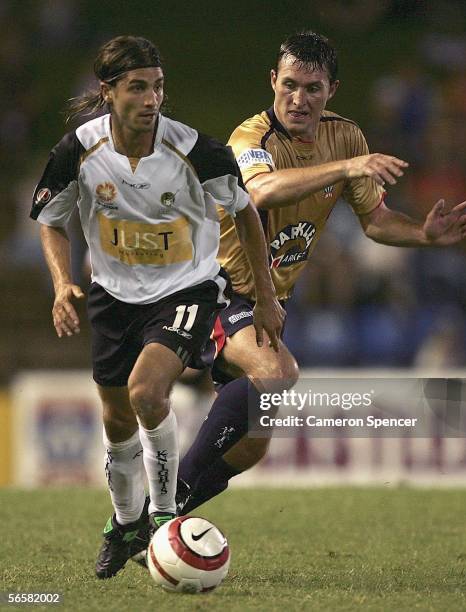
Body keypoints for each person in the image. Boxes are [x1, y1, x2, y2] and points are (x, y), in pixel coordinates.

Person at [175, 31, 466, 514]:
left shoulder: (345, 137)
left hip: (269, 298)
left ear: (331, 90)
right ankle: (163, 506)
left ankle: (164, 510)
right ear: (272, 80)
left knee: (252, 445)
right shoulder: (251, 138)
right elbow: (262, 192)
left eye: (313, 89)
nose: (299, 99)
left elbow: (377, 222)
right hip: (214, 287)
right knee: (278, 373)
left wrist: (423, 234)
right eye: (290, 85)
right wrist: (345, 169)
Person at [30, 35, 284, 579]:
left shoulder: (198, 152)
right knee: (116, 420)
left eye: (158, 87)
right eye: (138, 87)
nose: (151, 99)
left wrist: (264, 297)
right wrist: (60, 285)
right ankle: (124, 525)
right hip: (112, 296)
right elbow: (51, 222)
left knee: (147, 392)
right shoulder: (77, 150)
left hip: (184, 292)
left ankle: (163, 518)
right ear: (108, 92)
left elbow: (246, 216)